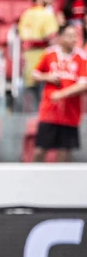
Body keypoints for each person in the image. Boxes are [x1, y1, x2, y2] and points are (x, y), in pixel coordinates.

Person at [33, 24, 87, 162]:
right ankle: (34, 178)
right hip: (49, 112)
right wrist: (47, 77)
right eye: (70, 35)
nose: (74, 39)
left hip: (70, 114)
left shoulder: (81, 57)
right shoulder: (50, 53)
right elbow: (35, 74)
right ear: (60, 37)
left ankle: (61, 183)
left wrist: (61, 94)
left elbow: (83, 84)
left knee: (64, 152)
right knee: (40, 150)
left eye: (75, 35)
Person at [18, 0, 59, 107]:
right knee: (45, 101)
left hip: (28, 61)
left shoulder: (26, 14)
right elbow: (52, 39)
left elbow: (23, 36)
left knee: (29, 101)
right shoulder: (47, 15)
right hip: (44, 62)